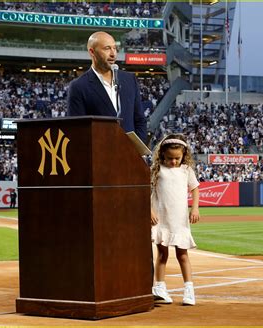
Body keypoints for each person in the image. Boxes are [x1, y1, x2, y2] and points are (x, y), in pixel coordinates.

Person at [67, 31, 147, 142]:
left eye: (114, 48)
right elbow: (77, 130)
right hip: (99, 155)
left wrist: (137, 150)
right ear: (92, 52)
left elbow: (140, 120)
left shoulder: (129, 79)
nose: (113, 54)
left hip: (130, 155)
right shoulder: (78, 86)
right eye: (107, 48)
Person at [150, 134, 200, 305]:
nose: (173, 161)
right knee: (162, 254)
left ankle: (189, 290)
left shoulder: (186, 170)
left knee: (183, 255)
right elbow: (146, 191)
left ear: (183, 155)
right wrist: (150, 210)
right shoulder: (157, 170)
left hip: (179, 219)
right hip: (161, 218)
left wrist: (195, 208)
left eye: (177, 158)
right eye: (170, 158)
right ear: (162, 153)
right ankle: (160, 288)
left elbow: (195, 189)